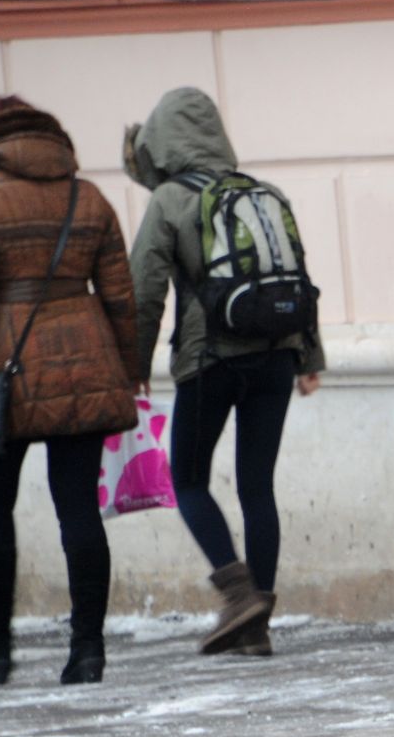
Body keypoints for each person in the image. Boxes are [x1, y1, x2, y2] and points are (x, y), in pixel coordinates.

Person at [0, 96, 139, 686]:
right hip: (83, 366)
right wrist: (132, 366)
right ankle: (87, 650)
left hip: (0, 371)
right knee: (79, 511)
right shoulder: (87, 196)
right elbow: (120, 294)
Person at [127, 87, 325, 657]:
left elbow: (145, 290)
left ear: (162, 140)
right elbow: (299, 278)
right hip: (276, 354)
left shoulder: (169, 200)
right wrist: (309, 358)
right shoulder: (266, 193)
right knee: (256, 485)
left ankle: (238, 597)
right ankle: (257, 625)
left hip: (209, 358)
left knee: (186, 478)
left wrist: (135, 364)